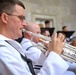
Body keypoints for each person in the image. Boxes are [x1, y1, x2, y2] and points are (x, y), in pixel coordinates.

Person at [0, 0, 74, 75]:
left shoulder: (11, 45)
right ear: (5, 18)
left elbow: (32, 72)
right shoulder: (3, 51)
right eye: (21, 18)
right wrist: (55, 53)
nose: (25, 23)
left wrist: (47, 53)